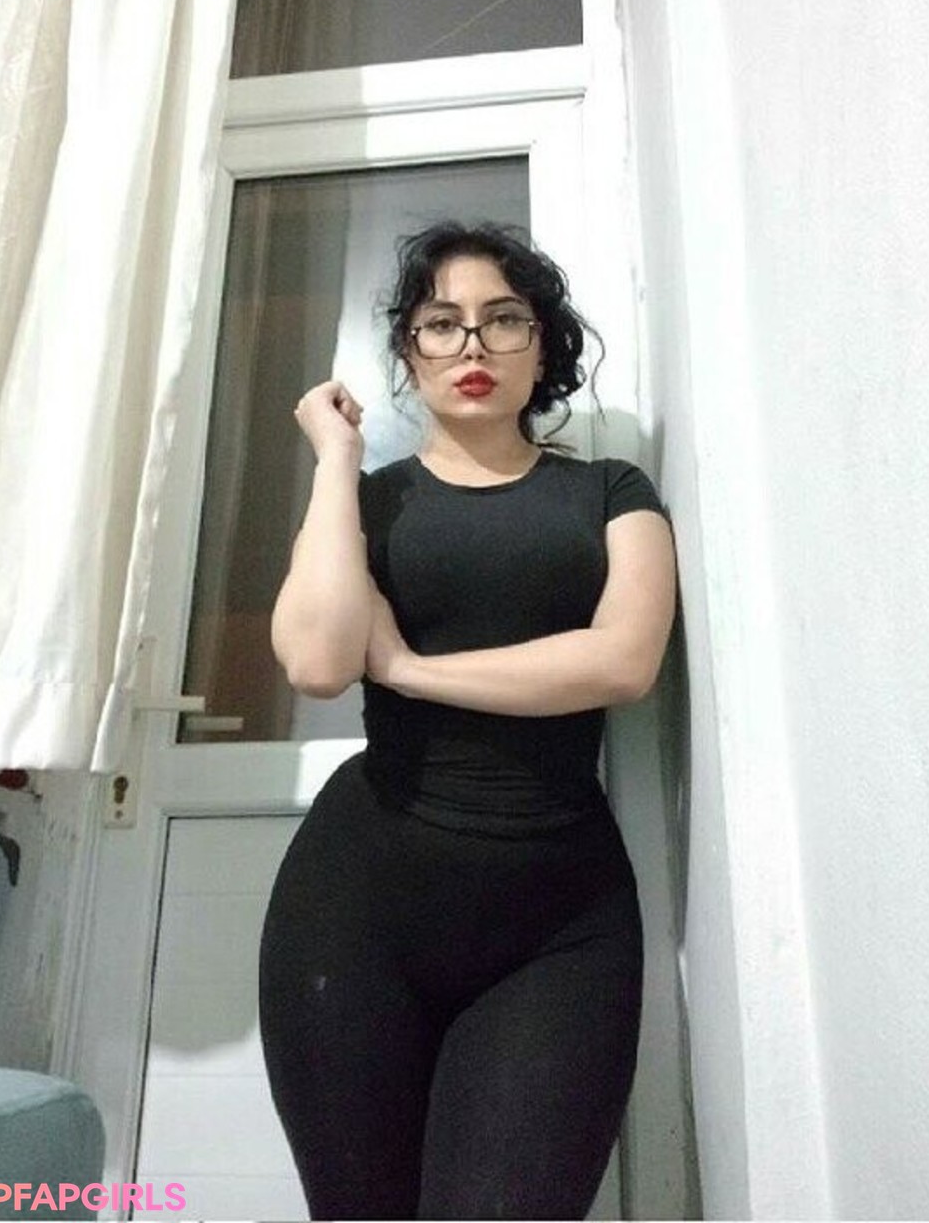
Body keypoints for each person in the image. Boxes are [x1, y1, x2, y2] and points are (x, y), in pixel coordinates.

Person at [259, 221, 677, 1220]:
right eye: (441, 324)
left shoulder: (611, 492)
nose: (473, 345)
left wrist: (411, 668)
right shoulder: (368, 504)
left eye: (504, 320)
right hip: (358, 911)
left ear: (544, 344)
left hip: (558, 924)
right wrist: (336, 458)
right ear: (409, 352)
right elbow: (317, 661)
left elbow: (623, 661)